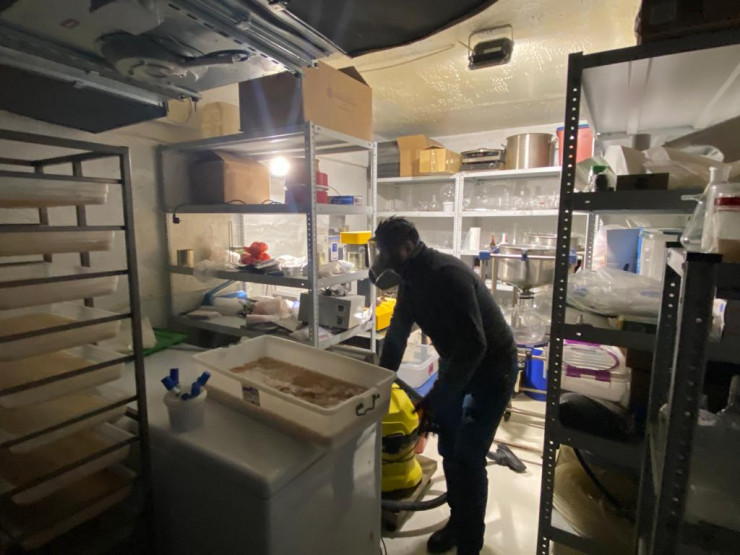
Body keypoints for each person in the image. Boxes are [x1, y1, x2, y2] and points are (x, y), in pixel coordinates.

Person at [369, 217, 517, 555]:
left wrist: (435, 399)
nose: (381, 260)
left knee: (468, 457)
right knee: (450, 449)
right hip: (456, 364)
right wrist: (378, 384)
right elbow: (396, 335)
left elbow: (475, 346)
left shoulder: (447, 276)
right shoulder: (410, 280)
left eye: (386, 251)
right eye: (379, 251)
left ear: (408, 247)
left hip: (493, 369)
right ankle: (458, 523)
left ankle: (470, 545)